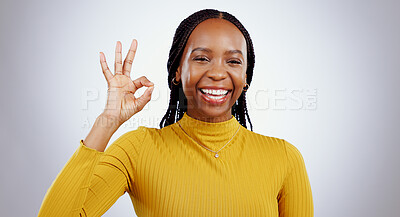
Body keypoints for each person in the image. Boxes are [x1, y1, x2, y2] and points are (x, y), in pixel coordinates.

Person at [38, 9, 313, 217]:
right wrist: (107, 121)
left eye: (233, 61)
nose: (217, 72)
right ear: (178, 71)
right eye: (202, 58)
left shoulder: (284, 158)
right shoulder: (138, 149)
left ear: (245, 76)